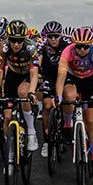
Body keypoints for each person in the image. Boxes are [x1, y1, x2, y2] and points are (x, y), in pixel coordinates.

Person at [54, 27, 93, 177]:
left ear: (90, 45)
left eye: (85, 46)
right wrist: (58, 96)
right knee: (68, 96)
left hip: (89, 80)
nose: (82, 49)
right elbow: (61, 76)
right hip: (73, 77)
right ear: (73, 44)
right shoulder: (67, 51)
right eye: (79, 46)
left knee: (91, 120)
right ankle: (67, 125)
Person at [0, 19, 40, 153]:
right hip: (12, 77)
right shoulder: (4, 47)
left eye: (20, 41)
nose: (16, 44)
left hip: (26, 76)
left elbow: (34, 73)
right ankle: (10, 148)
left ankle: (31, 132)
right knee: (7, 116)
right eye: (13, 40)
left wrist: (31, 92)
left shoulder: (30, 48)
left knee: (24, 92)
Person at [36, 20, 68, 158]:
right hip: (49, 76)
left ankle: (66, 126)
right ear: (46, 36)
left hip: (65, 76)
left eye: (56, 36)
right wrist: (37, 75)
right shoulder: (41, 46)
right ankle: (47, 141)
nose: (53, 39)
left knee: (67, 101)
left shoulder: (66, 45)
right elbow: (37, 62)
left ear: (60, 35)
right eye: (50, 36)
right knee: (47, 106)